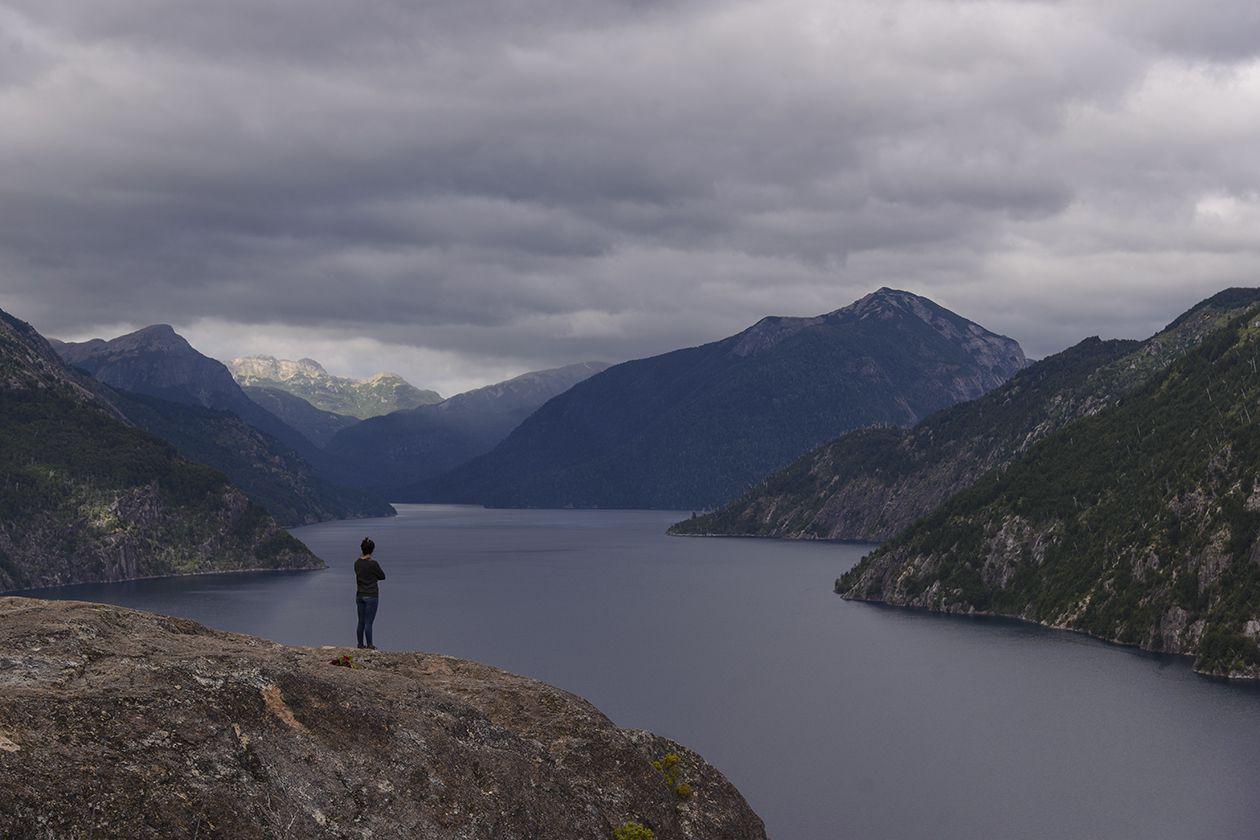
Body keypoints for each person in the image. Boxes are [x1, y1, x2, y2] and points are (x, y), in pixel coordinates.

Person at [354, 537, 385, 649]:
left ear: (362, 549)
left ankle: (360, 644)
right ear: (372, 550)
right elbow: (382, 576)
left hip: (360, 595)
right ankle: (370, 645)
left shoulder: (357, 563)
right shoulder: (373, 564)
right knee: (369, 623)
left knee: (361, 621)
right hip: (371, 595)